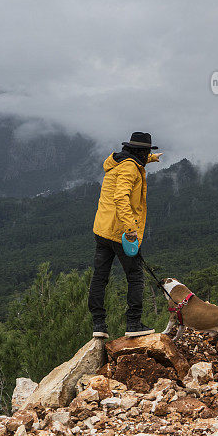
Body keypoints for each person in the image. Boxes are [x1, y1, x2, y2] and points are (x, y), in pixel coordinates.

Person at [88, 131, 162, 338]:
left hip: (102, 230)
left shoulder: (119, 162)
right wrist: (131, 229)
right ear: (140, 151)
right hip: (121, 233)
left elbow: (135, 160)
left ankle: (98, 325)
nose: (148, 154)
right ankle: (133, 324)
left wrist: (152, 159)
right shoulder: (130, 168)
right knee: (136, 276)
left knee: (100, 277)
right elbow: (121, 197)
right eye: (147, 151)